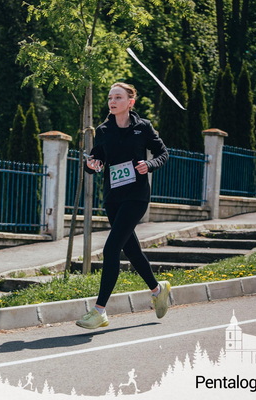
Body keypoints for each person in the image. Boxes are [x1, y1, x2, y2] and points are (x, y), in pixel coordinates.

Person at [76, 82, 170, 329]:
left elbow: (163, 153)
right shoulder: (103, 130)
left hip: (136, 196)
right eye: (110, 97)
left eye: (118, 97)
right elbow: (96, 159)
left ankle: (99, 310)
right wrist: (91, 165)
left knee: (111, 249)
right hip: (113, 198)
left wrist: (149, 165)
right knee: (132, 251)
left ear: (130, 102)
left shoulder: (143, 127)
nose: (112, 101)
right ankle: (157, 290)